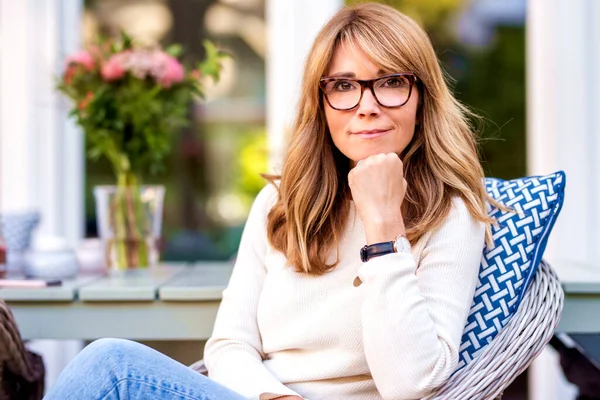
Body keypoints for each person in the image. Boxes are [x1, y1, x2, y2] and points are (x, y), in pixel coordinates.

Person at [44, 3, 493, 400]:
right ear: (321, 102)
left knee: (111, 368)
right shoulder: (281, 202)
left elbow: (411, 384)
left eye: (391, 81)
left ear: (423, 96)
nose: (367, 105)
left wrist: (383, 225)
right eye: (343, 85)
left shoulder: (451, 213)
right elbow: (229, 345)